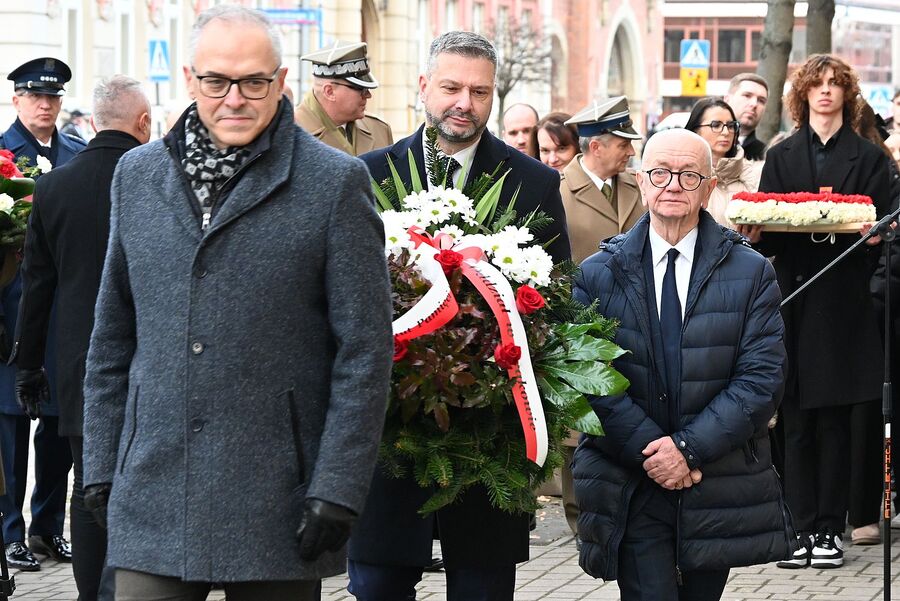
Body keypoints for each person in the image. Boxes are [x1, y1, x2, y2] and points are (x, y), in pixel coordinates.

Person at [79, 6, 393, 599]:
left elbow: (365, 352)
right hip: (154, 483)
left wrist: (339, 484)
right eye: (217, 81)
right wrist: (99, 464)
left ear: (280, 84)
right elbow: (112, 338)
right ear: (190, 80)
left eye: (254, 82)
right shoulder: (137, 176)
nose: (235, 98)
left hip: (281, 496)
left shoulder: (333, 183)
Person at [347, 31, 570, 601]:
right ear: (424, 86)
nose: (463, 103)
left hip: (488, 434)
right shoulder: (367, 175)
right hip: (388, 435)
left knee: (482, 589)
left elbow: (559, 299)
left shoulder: (535, 183)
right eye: (451, 87)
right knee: (377, 586)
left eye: (479, 91)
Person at [573, 128, 793, 600]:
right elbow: (588, 378)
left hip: (713, 477)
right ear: (641, 181)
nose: (673, 184)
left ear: (709, 187)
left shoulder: (751, 272)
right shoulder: (597, 273)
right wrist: (655, 451)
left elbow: (761, 379)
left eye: (689, 175)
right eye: (660, 173)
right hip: (632, 477)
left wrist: (688, 450)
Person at [741, 53, 892, 570]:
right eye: (816, 84)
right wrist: (756, 235)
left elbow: (884, 234)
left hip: (846, 307)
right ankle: (799, 528)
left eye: (834, 84)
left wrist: (871, 259)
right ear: (803, 95)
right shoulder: (782, 157)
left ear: (846, 95)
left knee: (835, 423)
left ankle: (829, 528)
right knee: (796, 422)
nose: (825, 92)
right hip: (795, 302)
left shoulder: (871, 159)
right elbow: (763, 235)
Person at [10, 75, 151, 600]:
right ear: (142, 124)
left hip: (77, 360)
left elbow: (36, 286)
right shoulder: (157, 180)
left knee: (88, 482)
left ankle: (93, 594)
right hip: (148, 352)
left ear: (92, 123)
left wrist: (27, 365)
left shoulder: (53, 186)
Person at [0, 56, 85, 573]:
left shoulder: (75, 154)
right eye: (35, 96)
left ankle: (48, 529)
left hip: (62, 316)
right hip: (12, 317)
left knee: (58, 429)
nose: (45, 105)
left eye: (52, 98)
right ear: (17, 99)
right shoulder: (2, 156)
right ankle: (8, 533)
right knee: (10, 429)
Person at [561, 97, 645, 263]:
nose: (632, 152)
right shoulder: (559, 192)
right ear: (596, 148)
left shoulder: (640, 184)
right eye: (623, 145)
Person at [295, 40, 393, 156]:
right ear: (329, 92)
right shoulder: (290, 135)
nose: (368, 95)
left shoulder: (379, 130)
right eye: (360, 88)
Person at [685, 97, 761, 227]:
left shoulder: (754, 175)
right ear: (695, 130)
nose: (726, 132)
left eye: (731, 126)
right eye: (716, 125)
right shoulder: (679, 175)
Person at [723, 73, 769, 161]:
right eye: (747, 95)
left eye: (761, 100)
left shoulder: (766, 156)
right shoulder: (704, 144)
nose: (754, 104)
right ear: (727, 100)